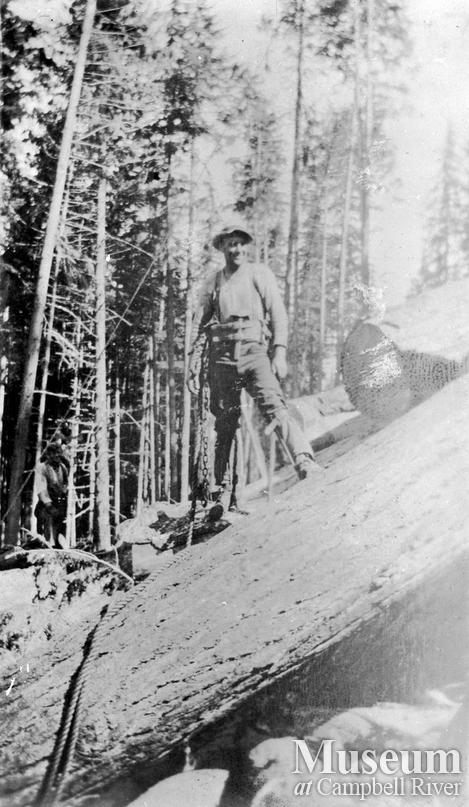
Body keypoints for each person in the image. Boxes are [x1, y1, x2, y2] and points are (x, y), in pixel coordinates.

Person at [188, 221, 321, 509]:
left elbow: (278, 315)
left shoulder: (259, 274)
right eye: (230, 243)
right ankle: (222, 491)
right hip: (221, 359)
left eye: (240, 243)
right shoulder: (213, 282)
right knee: (225, 423)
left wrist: (280, 352)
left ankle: (304, 461)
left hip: (254, 352)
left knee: (275, 407)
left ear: (247, 246)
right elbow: (201, 326)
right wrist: (192, 366)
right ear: (222, 247)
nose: (236, 249)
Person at [34, 442, 69, 548]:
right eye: (54, 453)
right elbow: (41, 487)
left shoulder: (63, 468)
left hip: (59, 503)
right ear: (49, 455)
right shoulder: (42, 467)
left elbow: (65, 484)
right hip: (46, 505)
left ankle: (58, 547)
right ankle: (45, 547)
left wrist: (63, 496)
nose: (58, 456)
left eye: (59, 453)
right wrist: (48, 504)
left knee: (59, 529)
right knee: (46, 528)